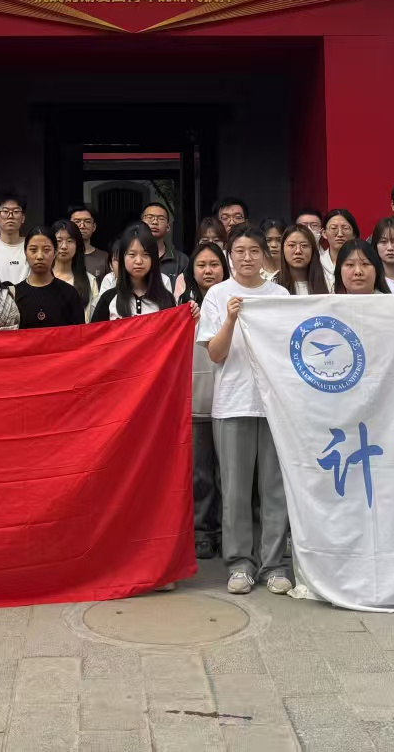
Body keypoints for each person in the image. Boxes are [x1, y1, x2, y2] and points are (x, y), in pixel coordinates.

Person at [199, 226, 293, 595]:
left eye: (254, 250)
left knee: (274, 488)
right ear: (230, 254)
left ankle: (274, 564)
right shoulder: (217, 294)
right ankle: (240, 564)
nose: (247, 257)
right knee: (235, 490)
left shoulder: (279, 295)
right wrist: (230, 319)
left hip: (274, 404)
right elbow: (215, 354)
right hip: (233, 402)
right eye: (239, 251)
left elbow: (288, 349)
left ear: (264, 254)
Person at [181, 241, 228, 560]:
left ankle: (228, 532)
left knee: (229, 474)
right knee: (200, 474)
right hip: (196, 399)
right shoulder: (181, 306)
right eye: (201, 265)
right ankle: (202, 532)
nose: (208, 271)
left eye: (214, 264)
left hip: (230, 400)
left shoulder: (234, 302)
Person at [92, 227, 179, 320]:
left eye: (146, 254)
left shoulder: (166, 299)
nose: (139, 261)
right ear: (122, 258)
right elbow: (96, 329)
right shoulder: (108, 298)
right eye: (132, 254)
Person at [13, 227, 85, 329]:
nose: (39, 256)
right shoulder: (14, 294)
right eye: (33, 250)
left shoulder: (69, 293)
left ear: (55, 252)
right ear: (25, 252)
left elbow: (79, 333)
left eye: (46, 250)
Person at [48, 219, 92, 312]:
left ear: (77, 245)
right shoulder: (40, 277)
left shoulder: (90, 281)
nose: (64, 246)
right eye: (59, 241)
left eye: (69, 241)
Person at [275, 224, 330, 295]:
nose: (298, 251)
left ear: (313, 250)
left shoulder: (329, 284)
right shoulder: (272, 285)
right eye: (291, 245)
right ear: (283, 249)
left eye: (304, 245)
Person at [140, 200, 186, 285]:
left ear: (168, 227)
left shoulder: (181, 261)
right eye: (149, 217)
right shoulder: (132, 258)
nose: (154, 222)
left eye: (161, 218)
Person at [0, 192, 30, 285]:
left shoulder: (32, 247)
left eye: (16, 212)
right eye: (5, 211)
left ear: (23, 218)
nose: (10, 216)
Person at [71, 203, 110, 285]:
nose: (82, 226)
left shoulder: (104, 257)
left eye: (87, 221)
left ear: (94, 227)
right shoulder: (62, 256)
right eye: (77, 221)